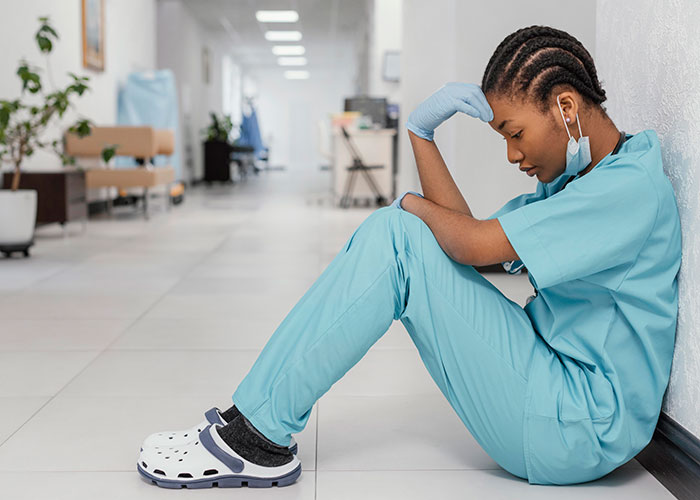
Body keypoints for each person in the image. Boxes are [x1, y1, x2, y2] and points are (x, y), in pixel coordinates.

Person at [137, 25, 682, 488]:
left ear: (565, 106)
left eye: (514, 134)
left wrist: (410, 204)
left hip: (577, 425)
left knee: (398, 233)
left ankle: (253, 436)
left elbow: (470, 243)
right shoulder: (586, 177)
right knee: (401, 233)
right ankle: (253, 423)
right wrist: (422, 135)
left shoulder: (623, 189)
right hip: (556, 387)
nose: (513, 154)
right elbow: (470, 243)